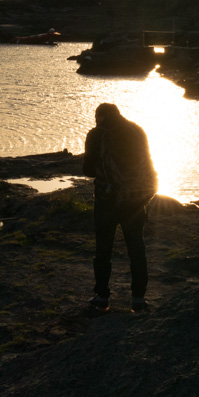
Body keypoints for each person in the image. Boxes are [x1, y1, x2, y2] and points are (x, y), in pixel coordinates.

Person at [82, 102, 156, 313]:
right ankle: (138, 299)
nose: (96, 122)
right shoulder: (137, 130)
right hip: (135, 200)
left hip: (108, 199)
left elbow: (88, 170)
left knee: (103, 250)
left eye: (97, 118)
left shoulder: (97, 135)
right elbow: (146, 163)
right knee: (136, 248)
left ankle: (102, 297)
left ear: (102, 117)